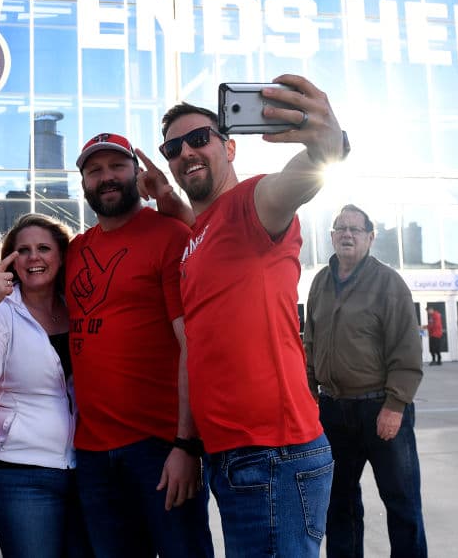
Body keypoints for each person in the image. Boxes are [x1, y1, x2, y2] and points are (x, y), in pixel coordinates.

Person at [139, 75, 347, 556]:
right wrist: (167, 200)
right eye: (173, 148)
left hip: (273, 454)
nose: (185, 152)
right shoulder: (199, 235)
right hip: (233, 456)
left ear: (229, 148)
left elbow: (297, 180)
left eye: (199, 139)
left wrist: (328, 145)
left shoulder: (252, 204)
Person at [67, 133, 213, 557]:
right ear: (83, 184)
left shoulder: (169, 235)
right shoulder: (76, 249)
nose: (106, 178)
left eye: (116, 166)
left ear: (137, 174)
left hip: (159, 448)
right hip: (91, 454)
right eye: (94, 170)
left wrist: (186, 445)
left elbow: (191, 344)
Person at [0, 214, 91, 557]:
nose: (34, 257)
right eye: (24, 250)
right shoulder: (0, 310)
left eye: (44, 248)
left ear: (61, 256)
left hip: (83, 468)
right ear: (11, 260)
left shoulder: (78, 308)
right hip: (18, 473)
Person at [304, 205, 427, 558]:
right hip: (332, 411)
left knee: (402, 503)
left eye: (355, 229)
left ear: (371, 237)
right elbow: (310, 342)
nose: (347, 234)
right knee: (338, 504)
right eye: (340, 228)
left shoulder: (389, 283)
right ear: (331, 236)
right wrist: (311, 393)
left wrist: (395, 405)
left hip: (380, 409)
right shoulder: (320, 282)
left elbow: (406, 348)